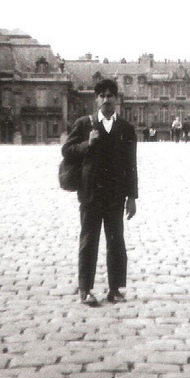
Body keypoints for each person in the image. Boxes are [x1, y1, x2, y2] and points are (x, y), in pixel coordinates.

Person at [62, 79, 138, 306]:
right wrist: (87, 143)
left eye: (110, 96)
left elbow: (131, 165)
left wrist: (132, 197)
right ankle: (85, 289)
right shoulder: (84, 124)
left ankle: (115, 289)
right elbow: (67, 150)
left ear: (117, 99)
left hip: (115, 195)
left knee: (116, 242)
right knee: (89, 241)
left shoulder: (126, 128)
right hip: (90, 193)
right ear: (96, 100)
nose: (106, 100)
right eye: (102, 96)